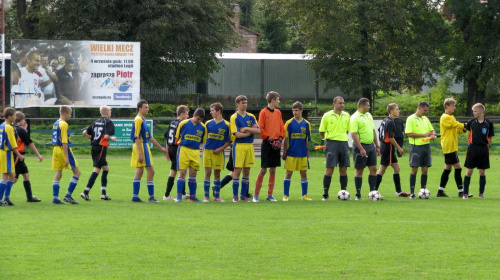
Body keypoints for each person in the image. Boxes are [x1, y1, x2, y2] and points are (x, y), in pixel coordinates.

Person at [130, 100, 168, 203]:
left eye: (148, 107)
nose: (148, 109)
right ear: (140, 108)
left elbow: (149, 137)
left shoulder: (143, 120)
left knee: (141, 170)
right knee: (149, 171)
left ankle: (136, 196)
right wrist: (140, 153)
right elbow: (136, 137)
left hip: (144, 146)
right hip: (141, 146)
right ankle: (150, 197)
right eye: (145, 107)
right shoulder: (138, 120)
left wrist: (161, 148)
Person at [80, 106, 117, 201]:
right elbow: (106, 136)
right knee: (97, 169)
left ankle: (103, 194)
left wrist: (92, 139)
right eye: (110, 111)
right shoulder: (108, 122)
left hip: (95, 147)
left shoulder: (96, 122)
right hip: (101, 147)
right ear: (108, 113)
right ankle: (85, 192)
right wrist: (112, 139)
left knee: (106, 168)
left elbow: (85, 132)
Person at [318, 96, 350, 201]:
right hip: (332, 143)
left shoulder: (347, 115)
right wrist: (330, 139)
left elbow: (347, 131)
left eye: (343, 103)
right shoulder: (327, 116)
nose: (342, 105)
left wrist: (342, 138)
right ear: (334, 104)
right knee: (330, 169)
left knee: (343, 169)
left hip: (344, 143)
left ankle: (343, 193)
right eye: (340, 103)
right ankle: (325, 194)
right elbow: (321, 131)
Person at [254, 91, 284, 202]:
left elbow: (282, 127)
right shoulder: (263, 112)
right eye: (278, 99)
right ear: (272, 100)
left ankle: (269, 195)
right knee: (263, 169)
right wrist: (270, 140)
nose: (279, 101)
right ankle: (256, 195)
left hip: (277, 143)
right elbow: (261, 128)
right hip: (267, 144)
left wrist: (280, 138)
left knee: (273, 170)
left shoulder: (278, 113)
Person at [375, 103, 410, 197]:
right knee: (382, 170)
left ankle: (398, 191)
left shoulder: (385, 120)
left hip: (387, 147)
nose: (398, 111)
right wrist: (399, 148)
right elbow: (390, 138)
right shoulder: (390, 122)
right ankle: (374, 191)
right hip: (388, 148)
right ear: (391, 111)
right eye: (397, 109)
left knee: (397, 168)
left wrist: (380, 147)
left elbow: (380, 133)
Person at [230, 95, 260, 202]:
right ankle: (235, 196)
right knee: (237, 170)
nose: (245, 104)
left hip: (249, 146)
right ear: (237, 104)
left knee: (247, 171)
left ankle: (243, 195)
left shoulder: (251, 117)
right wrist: (250, 132)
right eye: (243, 103)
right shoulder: (234, 117)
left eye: (246, 102)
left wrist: (247, 129)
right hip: (239, 146)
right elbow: (237, 135)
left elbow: (258, 131)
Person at [350, 98, 381, 200]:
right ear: (362, 106)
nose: (369, 107)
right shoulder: (355, 117)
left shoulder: (369, 115)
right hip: (361, 146)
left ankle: (372, 192)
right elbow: (354, 135)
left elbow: (373, 131)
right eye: (368, 105)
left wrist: (377, 146)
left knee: (373, 169)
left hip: (371, 146)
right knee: (360, 170)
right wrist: (361, 149)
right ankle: (358, 194)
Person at [438, 98, 469, 198]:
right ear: (446, 106)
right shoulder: (445, 117)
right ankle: (461, 191)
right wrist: (466, 125)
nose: (454, 107)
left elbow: (456, 129)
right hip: (449, 146)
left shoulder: (451, 117)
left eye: (454, 106)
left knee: (447, 168)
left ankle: (440, 191)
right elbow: (455, 124)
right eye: (452, 106)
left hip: (450, 146)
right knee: (458, 168)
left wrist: (464, 129)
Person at [174, 108, 207, 202]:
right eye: (197, 118)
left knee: (193, 174)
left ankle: (192, 197)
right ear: (193, 115)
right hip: (184, 149)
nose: (199, 121)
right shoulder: (183, 123)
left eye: (200, 119)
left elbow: (203, 142)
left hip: (195, 151)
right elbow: (177, 139)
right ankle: (179, 197)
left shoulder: (203, 127)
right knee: (182, 172)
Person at [282, 101, 312, 201]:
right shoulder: (289, 123)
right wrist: (284, 152)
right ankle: (286, 195)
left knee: (303, 173)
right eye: (293, 110)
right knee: (289, 173)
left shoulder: (306, 124)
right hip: (291, 152)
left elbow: (307, 139)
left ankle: (304, 195)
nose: (294, 112)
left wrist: (307, 152)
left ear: (301, 111)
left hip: (302, 153)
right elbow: (286, 139)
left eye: (297, 110)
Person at [463, 103, 494, 199]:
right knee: (469, 171)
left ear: (482, 112)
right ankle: (465, 193)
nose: (474, 113)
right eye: (473, 111)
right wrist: (471, 142)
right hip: (472, 149)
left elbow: (490, 137)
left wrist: (486, 144)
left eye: (475, 111)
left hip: (483, 149)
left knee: (482, 172)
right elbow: (468, 134)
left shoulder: (489, 123)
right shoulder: (471, 122)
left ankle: (481, 193)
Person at [405, 101, 436, 199]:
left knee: (425, 169)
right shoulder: (411, 119)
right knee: (414, 169)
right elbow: (409, 134)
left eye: (427, 110)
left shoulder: (425, 118)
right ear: (419, 108)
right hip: (416, 147)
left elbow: (432, 130)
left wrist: (433, 134)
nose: (425, 112)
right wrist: (425, 135)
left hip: (426, 147)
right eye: (424, 110)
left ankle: (423, 190)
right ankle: (412, 192)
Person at [51, 105, 81, 204]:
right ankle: (68, 195)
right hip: (63, 149)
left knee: (58, 173)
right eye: (70, 114)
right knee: (77, 172)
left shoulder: (56, 123)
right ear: (65, 113)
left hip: (55, 149)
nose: (70, 116)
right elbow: (64, 142)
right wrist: (66, 157)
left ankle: (55, 198)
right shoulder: (64, 124)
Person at [13, 111, 43, 202]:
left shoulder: (11, 128)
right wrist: (38, 154)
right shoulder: (20, 130)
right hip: (17, 156)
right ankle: (4, 196)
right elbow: (30, 143)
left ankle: (29, 197)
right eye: (24, 120)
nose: (24, 122)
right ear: (20, 120)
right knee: (13, 179)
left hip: (18, 156)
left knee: (26, 175)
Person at [203, 103, 231, 202]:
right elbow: (204, 137)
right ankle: (206, 197)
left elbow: (229, 141)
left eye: (212, 110)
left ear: (219, 111)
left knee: (217, 173)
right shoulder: (208, 123)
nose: (210, 112)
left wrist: (220, 149)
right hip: (208, 151)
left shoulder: (227, 125)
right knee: (208, 172)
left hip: (218, 152)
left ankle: (217, 196)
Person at [163, 105, 189, 201]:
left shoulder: (172, 123)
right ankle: (166, 195)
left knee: (181, 170)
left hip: (171, 149)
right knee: (175, 172)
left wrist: (167, 152)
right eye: (186, 114)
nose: (187, 116)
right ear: (181, 114)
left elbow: (167, 138)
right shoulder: (181, 124)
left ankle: (183, 193)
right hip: (177, 149)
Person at [0, 108, 25, 206]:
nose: (15, 118)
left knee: (12, 175)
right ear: (9, 116)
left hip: (4, 152)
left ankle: (6, 198)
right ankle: (2, 199)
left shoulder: (2, 126)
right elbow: (13, 144)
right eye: (14, 116)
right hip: (6, 152)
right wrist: (19, 155)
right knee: (6, 175)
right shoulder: (9, 127)